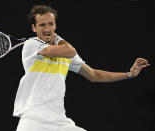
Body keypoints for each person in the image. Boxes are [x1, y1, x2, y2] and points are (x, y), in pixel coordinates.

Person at [13, 5, 150, 131]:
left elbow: (93, 75)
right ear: (34, 28)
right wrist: (57, 37)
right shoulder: (32, 44)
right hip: (33, 121)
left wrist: (128, 74)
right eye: (42, 25)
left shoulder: (63, 51)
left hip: (59, 121)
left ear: (55, 25)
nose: (47, 29)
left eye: (51, 24)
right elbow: (70, 51)